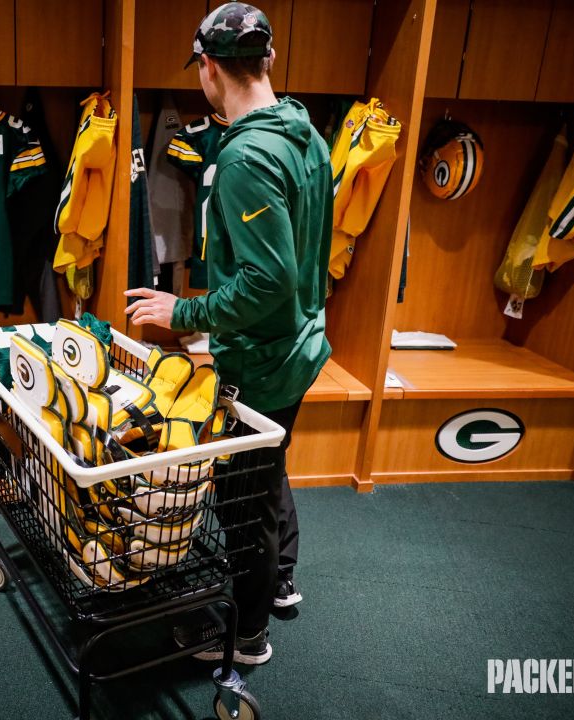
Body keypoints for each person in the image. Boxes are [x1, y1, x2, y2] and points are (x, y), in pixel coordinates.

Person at [124, 1, 332, 665]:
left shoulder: (247, 157)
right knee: (267, 472)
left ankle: (244, 637)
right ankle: (280, 585)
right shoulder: (308, 133)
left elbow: (268, 280)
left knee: (242, 505)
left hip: (266, 358)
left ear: (208, 69)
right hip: (299, 345)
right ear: (268, 59)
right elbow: (300, 266)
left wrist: (181, 314)